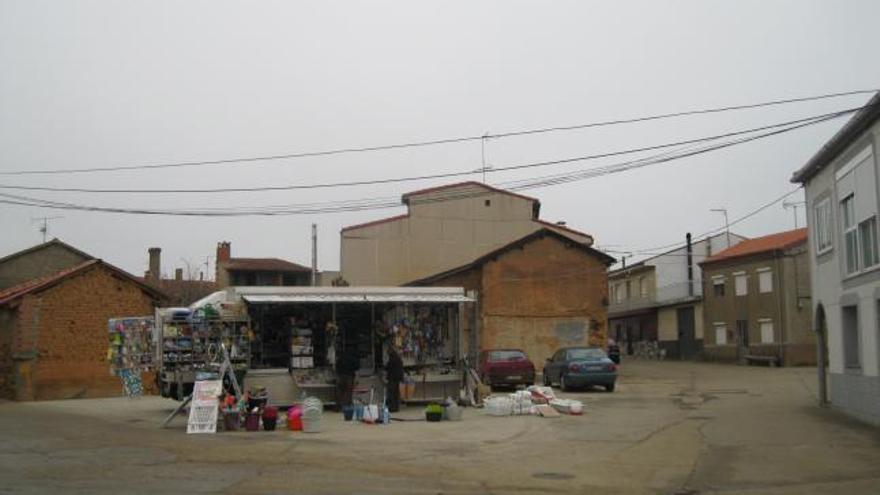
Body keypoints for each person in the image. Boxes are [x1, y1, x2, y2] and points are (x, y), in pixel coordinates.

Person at [336, 345, 359, 410]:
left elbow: (337, 365)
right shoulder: (354, 358)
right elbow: (357, 367)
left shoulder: (341, 357)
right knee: (349, 391)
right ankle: (347, 406)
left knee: (340, 391)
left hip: (341, 376)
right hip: (350, 376)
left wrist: (339, 373)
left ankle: (338, 406)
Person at [385, 346, 404, 412]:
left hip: (392, 378)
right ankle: (396, 407)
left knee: (391, 393)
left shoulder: (392, 358)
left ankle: (392, 407)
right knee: (396, 393)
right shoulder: (398, 358)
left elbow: (388, 367)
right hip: (397, 378)